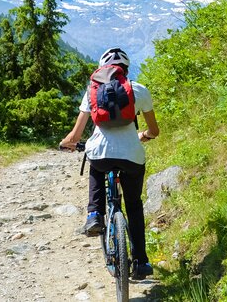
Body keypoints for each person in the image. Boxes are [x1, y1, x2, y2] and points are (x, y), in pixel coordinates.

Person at [59, 47, 160, 280]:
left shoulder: (93, 91)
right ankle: (141, 261)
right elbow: (154, 130)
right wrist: (144, 135)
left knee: (95, 165)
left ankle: (95, 214)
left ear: (103, 69)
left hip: (101, 154)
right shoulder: (139, 90)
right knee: (133, 205)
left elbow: (75, 137)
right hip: (132, 156)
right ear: (125, 69)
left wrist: (67, 142)